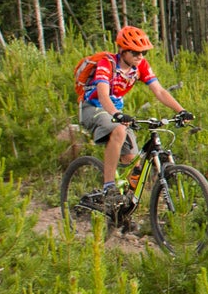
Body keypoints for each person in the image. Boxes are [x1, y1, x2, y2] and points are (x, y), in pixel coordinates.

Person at [72, 25, 190, 209]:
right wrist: (117, 114)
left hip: (115, 112)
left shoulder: (140, 66)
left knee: (133, 164)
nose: (140, 56)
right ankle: (108, 187)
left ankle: (121, 211)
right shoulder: (107, 63)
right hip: (93, 108)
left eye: (143, 52)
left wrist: (181, 110)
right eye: (135, 52)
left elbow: (159, 90)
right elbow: (103, 95)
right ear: (122, 50)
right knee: (119, 130)